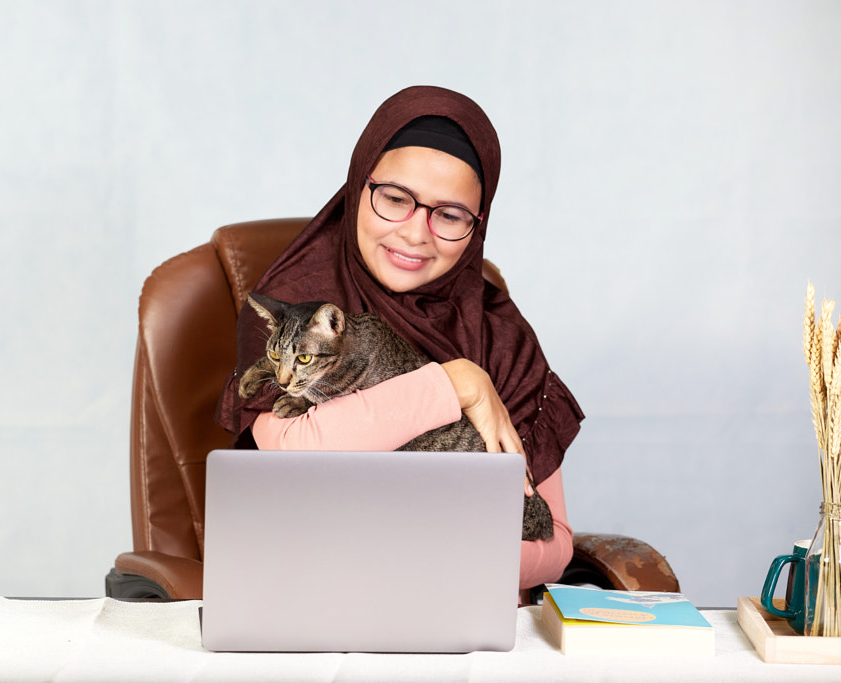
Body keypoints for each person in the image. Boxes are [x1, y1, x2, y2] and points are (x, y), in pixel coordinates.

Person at [216, 85, 584, 598]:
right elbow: (298, 446)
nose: (416, 234)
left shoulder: (502, 334)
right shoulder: (291, 303)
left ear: (478, 226)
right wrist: (454, 383)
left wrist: (425, 557)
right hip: (315, 600)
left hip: (465, 619)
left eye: (450, 215)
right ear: (358, 186)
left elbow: (555, 546)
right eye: (394, 199)